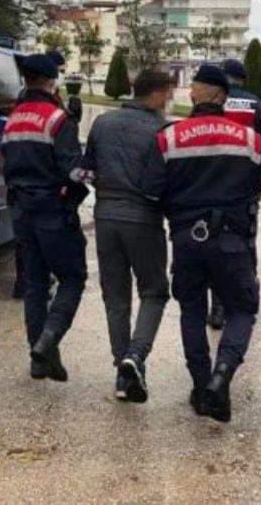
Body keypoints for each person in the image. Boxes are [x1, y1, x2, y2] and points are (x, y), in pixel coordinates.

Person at [141, 64, 261, 422]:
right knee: (242, 310)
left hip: (187, 239)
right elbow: (254, 190)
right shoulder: (249, 139)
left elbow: (152, 192)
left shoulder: (169, 138)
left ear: (198, 94)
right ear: (224, 97)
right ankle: (222, 375)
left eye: (193, 87)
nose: (190, 92)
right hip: (232, 240)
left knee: (192, 311)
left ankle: (201, 387)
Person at [82, 70, 173, 403]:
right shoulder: (161, 130)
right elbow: (165, 181)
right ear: (160, 93)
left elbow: (87, 168)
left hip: (105, 216)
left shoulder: (102, 123)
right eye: (168, 95)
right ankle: (135, 356)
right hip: (144, 220)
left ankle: (123, 376)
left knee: (115, 297)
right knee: (155, 291)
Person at [2, 54, 88, 382]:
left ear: (26, 80)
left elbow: (5, 162)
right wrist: (91, 177)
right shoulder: (57, 119)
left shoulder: (14, 118)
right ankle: (49, 339)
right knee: (72, 278)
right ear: (52, 81)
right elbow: (74, 170)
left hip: (21, 210)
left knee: (35, 283)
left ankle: (38, 360)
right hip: (53, 208)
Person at [205, 59, 261, 330]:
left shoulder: (212, 101)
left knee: (215, 239)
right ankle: (245, 298)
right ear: (243, 79)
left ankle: (217, 308)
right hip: (247, 182)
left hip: (211, 180)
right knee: (246, 236)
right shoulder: (258, 106)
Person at [11, 48, 78, 300]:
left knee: (31, 263)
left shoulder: (18, 110)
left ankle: (30, 282)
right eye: (60, 72)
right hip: (48, 195)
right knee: (70, 274)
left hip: (21, 194)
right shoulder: (49, 110)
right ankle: (48, 335)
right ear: (50, 75)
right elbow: (68, 163)